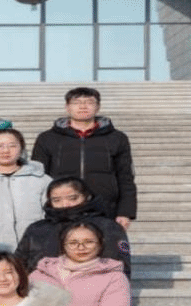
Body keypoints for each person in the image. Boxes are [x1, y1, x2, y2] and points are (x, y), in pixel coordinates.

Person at [30, 87, 137, 229]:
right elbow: (38, 176)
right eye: (76, 102)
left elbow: (125, 177)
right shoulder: (47, 138)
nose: (83, 106)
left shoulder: (117, 138)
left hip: (104, 210)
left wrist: (125, 212)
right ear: (67, 107)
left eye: (89, 102)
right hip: (61, 210)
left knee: (111, 242)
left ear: (98, 107)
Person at [15, 177, 131, 277]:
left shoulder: (107, 226)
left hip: (92, 289)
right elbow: (19, 264)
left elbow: (119, 266)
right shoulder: (37, 229)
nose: (65, 204)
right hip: (43, 289)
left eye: (72, 198)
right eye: (57, 200)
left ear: (86, 196)